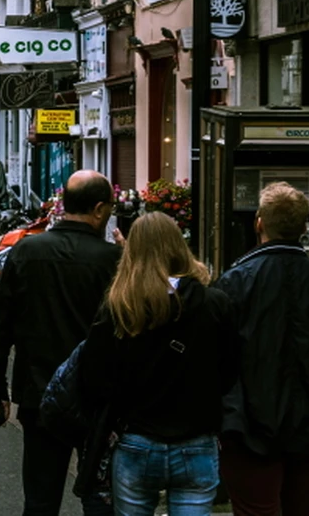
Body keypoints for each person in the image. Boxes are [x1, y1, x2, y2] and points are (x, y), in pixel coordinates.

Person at [0, 170, 121, 516]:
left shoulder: (28, 251)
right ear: (100, 210)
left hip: (40, 394)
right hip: (99, 399)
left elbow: (0, 326)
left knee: (40, 500)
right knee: (101, 497)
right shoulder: (112, 260)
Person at [213, 182, 309, 516]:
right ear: (303, 226)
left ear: (259, 223)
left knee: (256, 508)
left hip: (250, 428)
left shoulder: (235, 283)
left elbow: (220, 360)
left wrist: (227, 417)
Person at [78, 212, 237, 515]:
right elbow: (229, 371)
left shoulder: (120, 305)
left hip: (136, 439)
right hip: (196, 438)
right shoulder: (214, 304)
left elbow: (94, 377)